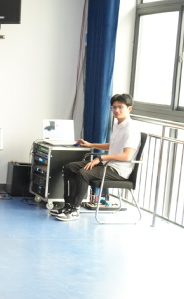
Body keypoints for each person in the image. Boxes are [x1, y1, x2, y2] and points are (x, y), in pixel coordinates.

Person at [52, 93, 140, 222]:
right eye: (114, 107)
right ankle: (68, 205)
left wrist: (101, 158)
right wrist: (90, 144)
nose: (116, 110)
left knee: (84, 173)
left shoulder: (131, 129)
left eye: (120, 107)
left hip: (119, 170)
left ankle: (75, 210)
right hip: (108, 164)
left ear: (129, 108)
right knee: (70, 167)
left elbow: (126, 156)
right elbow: (113, 145)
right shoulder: (117, 124)